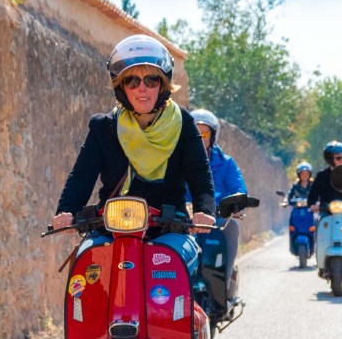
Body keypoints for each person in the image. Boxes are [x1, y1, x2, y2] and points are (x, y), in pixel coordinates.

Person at [52, 34, 215, 270]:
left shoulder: (184, 124)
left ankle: (183, 309)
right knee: (87, 268)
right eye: (132, 81)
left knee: (171, 267)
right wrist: (66, 211)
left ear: (162, 84)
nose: (142, 88)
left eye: (151, 80)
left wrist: (204, 212)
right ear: (121, 87)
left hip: (168, 231)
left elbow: (200, 174)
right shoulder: (103, 127)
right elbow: (81, 176)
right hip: (111, 231)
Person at [190, 108, 247, 299]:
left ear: (213, 136)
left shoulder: (226, 163)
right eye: (195, 132)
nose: (200, 137)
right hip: (188, 220)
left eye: (204, 133)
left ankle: (225, 278)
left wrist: (236, 204)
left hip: (218, 218)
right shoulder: (180, 160)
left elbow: (238, 188)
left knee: (233, 228)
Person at [306, 141, 342, 213]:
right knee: (317, 222)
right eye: (338, 158)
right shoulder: (321, 176)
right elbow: (311, 198)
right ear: (330, 159)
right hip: (326, 214)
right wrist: (313, 205)